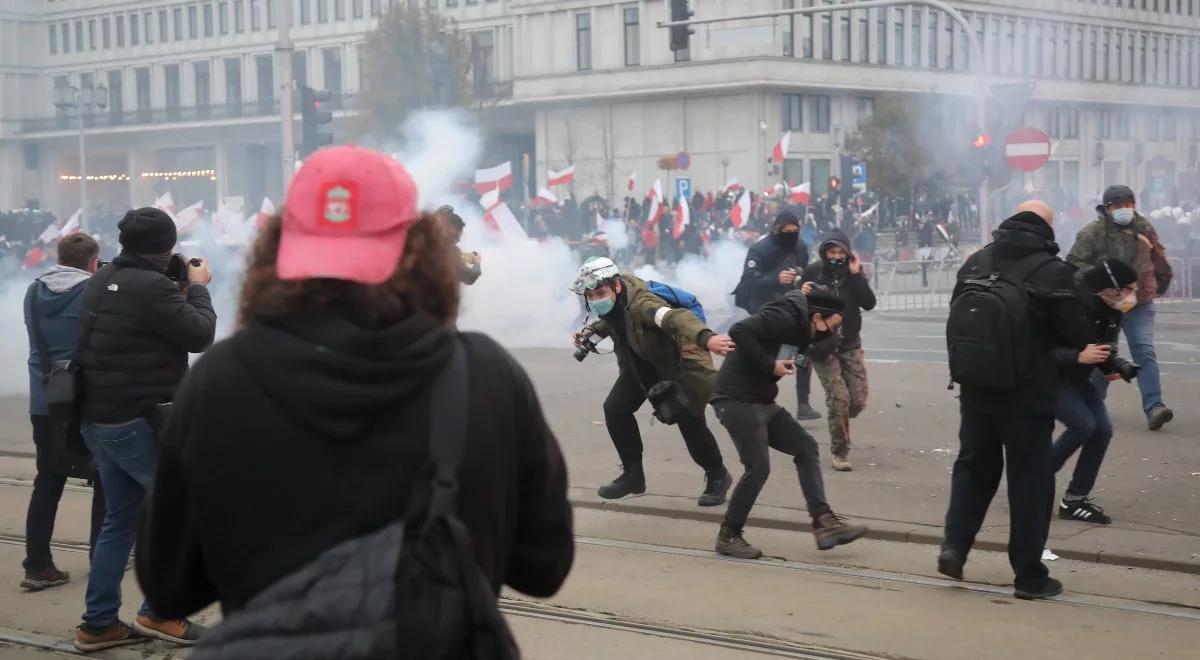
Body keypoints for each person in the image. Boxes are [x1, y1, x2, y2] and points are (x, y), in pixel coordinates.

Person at [136, 146, 574, 655]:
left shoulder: (221, 381)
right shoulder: (485, 375)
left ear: (279, 250)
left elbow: (168, 583)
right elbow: (545, 566)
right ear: (420, 252)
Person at [73, 208, 217, 652]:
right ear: (166, 246)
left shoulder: (103, 277)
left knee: (120, 520)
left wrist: (174, 289)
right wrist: (196, 289)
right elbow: (199, 334)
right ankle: (161, 612)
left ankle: (98, 624)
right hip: (138, 421)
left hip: (100, 417)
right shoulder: (151, 286)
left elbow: (139, 328)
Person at [938, 201, 1091, 601]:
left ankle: (954, 546)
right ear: (1047, 227)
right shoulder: (1054, 273)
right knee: (1030, 482)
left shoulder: (976, 262)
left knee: (972, 469)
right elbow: (1077, 333)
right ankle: (1028, 576)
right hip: (1028, 396)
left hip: (975, 390)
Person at [711, 289, 868, 558]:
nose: (832, 332)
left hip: (761, 400)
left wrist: (815, 354)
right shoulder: (784, 316)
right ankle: (729, 535)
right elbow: (739, 331)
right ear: (817, 316)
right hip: (735, 399)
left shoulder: (804, 330)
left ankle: (823, 522)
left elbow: (798, 358)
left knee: (806, 447)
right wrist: (769, 364)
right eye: (832, 326)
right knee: (758, 468)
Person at [572, 257, 735, 506]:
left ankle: (717, 475)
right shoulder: (616, 300)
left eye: (600, 293)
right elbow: (614, 318)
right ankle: (633, 475)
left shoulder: (643, 304)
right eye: (591, 295)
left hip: (674, 365)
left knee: (689, 422)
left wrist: (707, 338)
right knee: (615, 408)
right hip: (641, 363)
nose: (596, 299)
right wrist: (592, 331)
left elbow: (674, 318)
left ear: (616, 286)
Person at [21, 234, 105, 592]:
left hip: (46, 401)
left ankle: (37, 566)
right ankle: (100, 559)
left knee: (48, 480)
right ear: (91, 263)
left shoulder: (33, 291)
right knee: (104, 479)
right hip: (86, 401)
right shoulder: (95, 292)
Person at [1066, 185, 1174, 431]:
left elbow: (1159, 258)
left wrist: (1159, 285)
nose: (1125, 210)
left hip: (1139, 304)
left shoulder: (1144, 229)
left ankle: (1154, 406)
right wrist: (1098, 285)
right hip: (1105, 305)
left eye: (1129, 204)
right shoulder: (1092, 233)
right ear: (1107, 208)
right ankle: (1090, 406)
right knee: (1103, 354)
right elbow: (1073, 265)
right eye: (1118, 206)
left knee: (1144, 351)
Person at [1052, 259, 1141, 525]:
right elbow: (1040, 348)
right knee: (1083, 425)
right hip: (1051, 377)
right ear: (1109, 288)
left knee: (1102, 430)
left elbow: (1102, 344)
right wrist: (1079, 356)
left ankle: (1075, 500)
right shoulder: (1072, 305)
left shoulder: (1111, 309)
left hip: (1077, 377)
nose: (1131, 296)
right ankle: (1031, 483)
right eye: (1128, 289)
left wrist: (1109, 365)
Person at [731, 211, 820, 421]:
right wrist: (775, 279)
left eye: (794, 230)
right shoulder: (760, 249)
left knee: (805, 350)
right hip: (765, 306)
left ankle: (803, 403)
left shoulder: (800, 247)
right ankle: (752, 395)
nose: (790, 234)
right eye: (786, 231)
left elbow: (804, 272)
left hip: (792, 304)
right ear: (776, 229)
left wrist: (803, 284)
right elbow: (748, 283)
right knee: (774, 354)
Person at [800, 229, 877, 471]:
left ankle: (842, 414)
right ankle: (840, 452)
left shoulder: (854, 274)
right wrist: (800, 293)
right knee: (839, 399)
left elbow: (869, 303)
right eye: (831, 252)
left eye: (840, 252)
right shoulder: (813, 271)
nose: (835, 256)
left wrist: (856, 276)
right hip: (824, 345)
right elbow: (796, 305)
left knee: (857, 400)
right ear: (824, 253)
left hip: (850, 343)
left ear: (847, 253)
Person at [435, 205, 482, 285]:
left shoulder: (425, 237)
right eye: (459, 233)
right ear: (453, 229)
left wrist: (461, 257)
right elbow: (469, 277)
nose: (459, 238)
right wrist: (477, 263)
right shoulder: (451, 251)